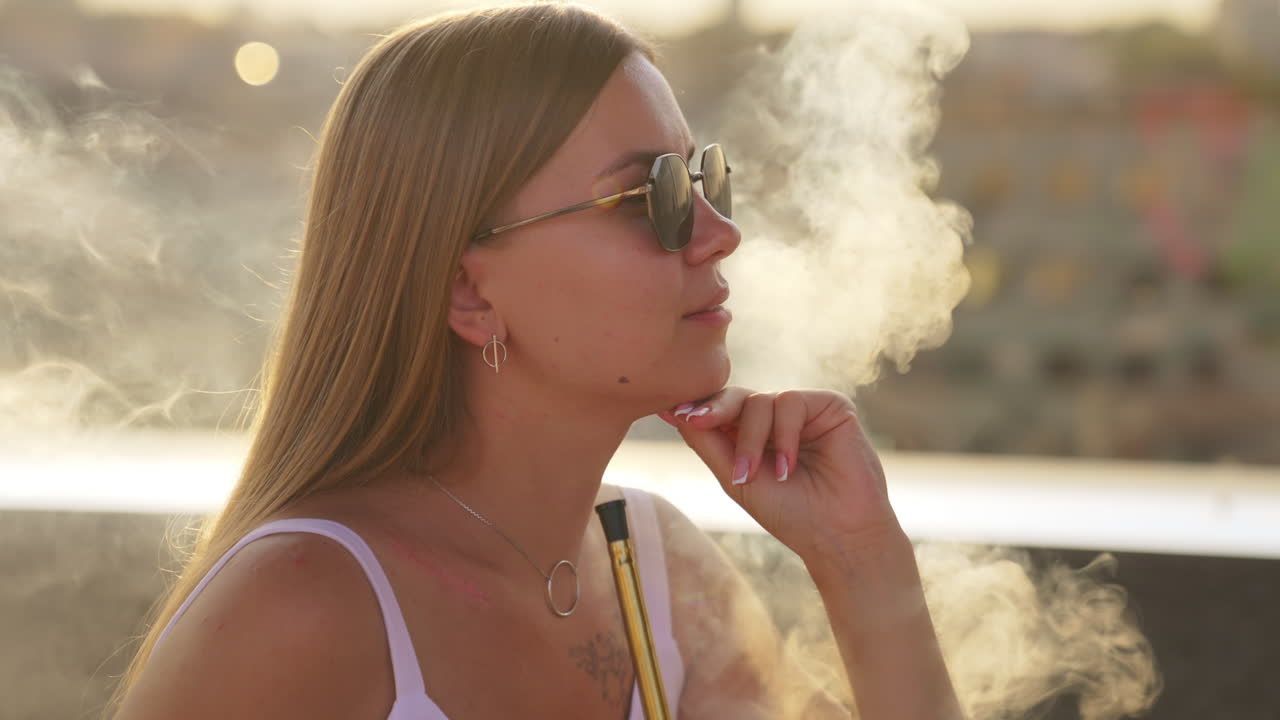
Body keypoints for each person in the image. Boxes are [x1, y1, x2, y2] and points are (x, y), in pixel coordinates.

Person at [109, 3, 964, 719]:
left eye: (705, 180)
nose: (720, 234)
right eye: (653, 197)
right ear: (468, 291)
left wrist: (861, 557)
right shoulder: (304, 605)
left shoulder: (666, 574)